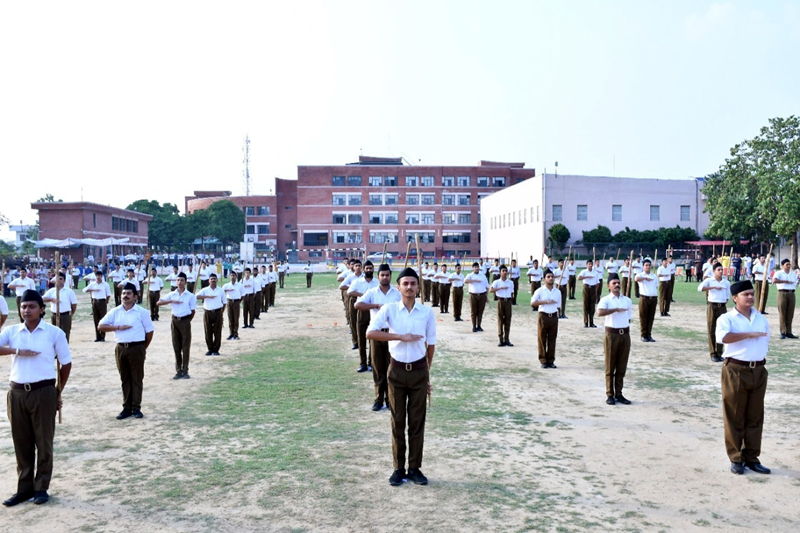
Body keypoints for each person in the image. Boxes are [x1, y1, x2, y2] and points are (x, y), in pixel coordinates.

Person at [0, 290, 71, 507]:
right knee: (21, 442)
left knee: (44, 442)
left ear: (41, 309)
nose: (27, 310)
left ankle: (41, 487)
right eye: (23, 306)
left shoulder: (54, 332)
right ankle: (24, 489)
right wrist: (17, 351)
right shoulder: (12, 331)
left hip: (43, 392)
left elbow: (66, 363)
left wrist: (57, 391)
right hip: (17, 393)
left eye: (31, 306)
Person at [366, 267, 436, 486]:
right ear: (398, 287)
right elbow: (370, 332)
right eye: (405, 283)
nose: (409, 287)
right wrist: (400, 337)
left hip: (419, 371)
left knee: (416, 422)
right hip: (396, 371)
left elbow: (431, 345)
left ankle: (414, 468)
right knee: (397, 421)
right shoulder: (390, 309)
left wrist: (426, 375)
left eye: (413, 283)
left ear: (418, 287)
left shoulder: (426, 313)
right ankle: (398, 468)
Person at [716, 280, 771, 475]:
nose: (750, 297)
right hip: (736, 370)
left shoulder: (760, 318)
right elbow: (723, 338)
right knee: (735, 416)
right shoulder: (727, 318)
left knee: (755, 417)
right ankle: (736, 458)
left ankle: (752, 457)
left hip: (758, 370)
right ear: (735, 298)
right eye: (745, 294)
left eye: (751, 293)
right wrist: (748, 334)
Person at [98, 283, 154, 419]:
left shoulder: (142, 312)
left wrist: (142, 348)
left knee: (137, 378)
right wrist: (117, 327)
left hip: (137, 347)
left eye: (129, 293)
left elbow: (149, 332)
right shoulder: (115, 311)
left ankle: (136, 407)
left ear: (135, 296)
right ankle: (126, 408)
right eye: (123, 293)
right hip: (121, 348)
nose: (125, 296)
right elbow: (101, 326)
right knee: (125, 378)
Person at [356, 264, 401, 411]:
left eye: (387, 275)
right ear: (378, 276)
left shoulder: (396, 293)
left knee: (391, 367)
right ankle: (378, 399)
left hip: (391, 334)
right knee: (377, 367)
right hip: (376, 333)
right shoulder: (372, 292)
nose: (385, 277)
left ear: (390, 276)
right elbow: (357, 305)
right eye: (382, 275)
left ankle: (390, 399)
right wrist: (375, 305)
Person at [597, 274, 633, 405]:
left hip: (625, 335)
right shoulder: (606, 300)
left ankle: (619, 393)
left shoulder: (627, 300)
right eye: (614, 283)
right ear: (608, 286)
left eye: (618, 282)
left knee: (621, 366)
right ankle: (609, 394)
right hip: (612, 335)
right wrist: (615, 310)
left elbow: (629, 317)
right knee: (610, 366)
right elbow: (599, 312)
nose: (617, 285)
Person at [157, 273, 197, 379]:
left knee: (186, 347)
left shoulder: (190, 296)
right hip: (175, 321)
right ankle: (178, 370)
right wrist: (171, 301)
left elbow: (193, 311)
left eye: (182, 280)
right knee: (176, 346)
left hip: (185, 321)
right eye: (178, 280)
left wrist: (187, 321)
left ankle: (185, 370)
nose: (180, 282)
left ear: (185, 282)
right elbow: (158, 303)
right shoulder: (172, 294)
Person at [349, 261, 379, 373]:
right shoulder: (358, 282)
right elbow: (349, 292)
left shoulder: (377, 282)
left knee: (373, 338)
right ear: (363, 269)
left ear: (373, 269)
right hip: (362, 311)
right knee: (361, 338)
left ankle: (371, 363)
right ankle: (363, 364)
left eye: (371, 268)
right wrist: (362, 294)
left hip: (374, 311)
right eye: (367, 268)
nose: (369, 270)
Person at [698, 262, 731, 362]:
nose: (721, 271)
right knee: (711, 329)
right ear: (714, 271)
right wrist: (713, 287)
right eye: (718, 270)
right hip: (712, 306)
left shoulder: (726, 282)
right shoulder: (709, 280)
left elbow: (727, 296)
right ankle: (713, 353)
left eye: (722, 270)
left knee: (722, 329)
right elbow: (700, 288)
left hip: (722, 306)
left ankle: (720, 352)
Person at [531, 270, 561, 369]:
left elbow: (558, 305)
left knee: (552, 339)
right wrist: (546, 302)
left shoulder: (557, 292)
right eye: (548, 277)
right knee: (542, 339)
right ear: (544, 279)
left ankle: (551, 360)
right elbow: (533, 303)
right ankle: (543, 360)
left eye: (552, 276)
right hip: (543, 316)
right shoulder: (540, 291)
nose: (551, 278)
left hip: (553, 316)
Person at [196, 272, 227, 356]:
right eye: (211, 279)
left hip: (217, 312)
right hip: (207, 312)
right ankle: (210, 349)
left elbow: (224, 302)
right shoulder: (205, 290)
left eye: (214, 279)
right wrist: (207, 297)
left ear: (217, 280)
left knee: (217, 331)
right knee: (208, 331)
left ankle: (216, 349)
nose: (213, 280)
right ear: (209, 281)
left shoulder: (220, 290)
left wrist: (221, 312)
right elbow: (197, 296)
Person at [42, 273, 77, 341]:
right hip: (54, 315)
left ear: (64, 281)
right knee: (54, 333)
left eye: (61, 279)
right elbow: (42, 299)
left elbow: (74, 304)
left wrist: (71, 313)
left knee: (65, 333)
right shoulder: (52, 291)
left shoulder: (69, 291)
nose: (59, 281)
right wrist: (51, 299)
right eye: (57, 279)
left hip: (65, 315)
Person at [772, 259, 798, 339]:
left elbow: (795, 281)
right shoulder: (779, 273)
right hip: (782, 293)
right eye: (787, 264)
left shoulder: (792, 273)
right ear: (782, 265)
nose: (788, 266)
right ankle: (783, 332)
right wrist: (785, 281)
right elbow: (774, 280)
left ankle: (789, 332)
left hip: (791, 293)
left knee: (790, 313)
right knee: (782, 312)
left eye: (789, 264)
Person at [489, 265, 514, 347]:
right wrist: (500, 288)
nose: (505, 272)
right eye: (503, 271)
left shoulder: (510, 282)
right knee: (500, 320)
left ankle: (507, 339)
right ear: (500, 272)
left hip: (508, 301)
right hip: (501, 300)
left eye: (506, 271)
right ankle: (500, 339)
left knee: (508, 320)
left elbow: (512, 293)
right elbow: (491, 290)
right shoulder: (497, 282)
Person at [83, 271, 112, 342]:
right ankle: (97, 336)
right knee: (96, 319)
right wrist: (93, 290)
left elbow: (108, 294)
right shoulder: (93, 284)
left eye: (99, 276)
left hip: (102, 301)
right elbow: (84, 290)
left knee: (103, 319)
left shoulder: (105, 284)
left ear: (102, 276)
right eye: (97, 276)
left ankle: (102, 336)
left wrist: (106, 301)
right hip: (95, 301)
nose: (98, 277)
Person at [635, 259, 658, 342]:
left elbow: (656, 286)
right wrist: (645, 278)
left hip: (653, 298)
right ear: (643, 267)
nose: (648, 267)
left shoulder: (654, 276)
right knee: (643, 317)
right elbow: (636, 279)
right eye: (646, 265)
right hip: (644, 298)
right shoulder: (640, 275)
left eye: (649, 265)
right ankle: (643, 335)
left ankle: (649, 334)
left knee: (650, 318)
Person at [464, 262, 489, 332]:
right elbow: (465, 281)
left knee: (480, 311)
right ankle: (474, 326)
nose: (477, 268)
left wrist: (486, 296)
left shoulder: (483, 276)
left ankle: (479, 325)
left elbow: (487, 287)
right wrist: (475, 280)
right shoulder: (470, 275)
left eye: (477, 267)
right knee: (473, 311)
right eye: (475, 267)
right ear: (473, 268)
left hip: (482, 295)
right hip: (473, 295)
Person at [578, 259, 599, 328]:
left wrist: (595, 290)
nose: (590, 265)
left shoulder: (595, 272)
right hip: (586, 287)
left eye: (591, 264)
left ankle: (591, 322)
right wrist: (587, 277)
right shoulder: (584, 271)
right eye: (589, 264)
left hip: (593, 288)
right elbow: (579, 277)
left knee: (592, 306)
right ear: (586, 265)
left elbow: (597, 282)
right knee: (586, 305)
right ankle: (586, 322)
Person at [222, 272, 242, 340]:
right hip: (229, 302)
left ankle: (236, 333)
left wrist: (238, 302)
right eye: (231, 275)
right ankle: (231, 333)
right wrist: (226, 290)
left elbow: (243, 295)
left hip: (236, 302)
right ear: (229, 277)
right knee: (230, 318)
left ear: (236, 276)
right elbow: (221, 292)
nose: (232, 277)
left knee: (236, 318)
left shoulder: (239, 285)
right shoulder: (226, 285)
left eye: (234, 275)